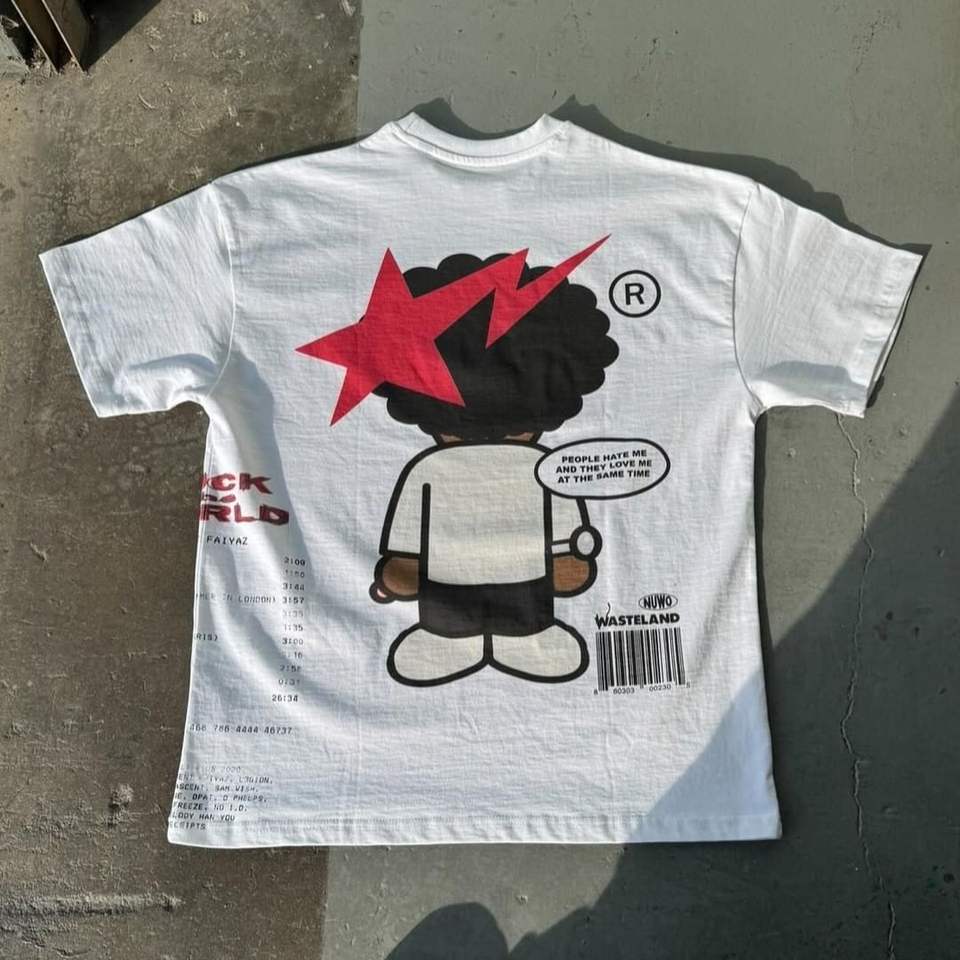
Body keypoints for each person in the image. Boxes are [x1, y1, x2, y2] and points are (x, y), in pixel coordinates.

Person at [369, 252, 619, 686]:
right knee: (460, 639)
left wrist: (400, 570)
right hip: (460, 595)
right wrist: (568, 559)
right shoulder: (528, 466)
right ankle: (463, 639)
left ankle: (506, 638)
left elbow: (405, 544)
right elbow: (567, 542)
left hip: (516, 592)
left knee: (518, 635)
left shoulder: (435, 468)